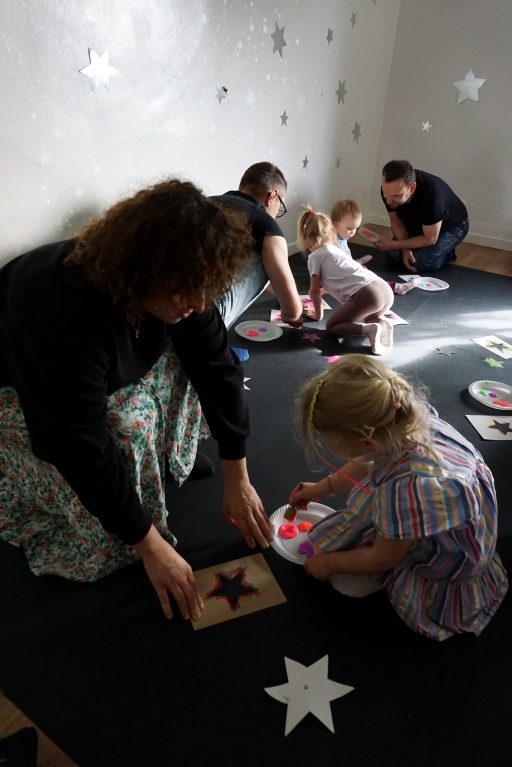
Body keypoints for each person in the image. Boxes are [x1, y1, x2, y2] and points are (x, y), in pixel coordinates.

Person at [0, 179, 274, 623]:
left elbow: (218, 366)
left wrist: (236, 474)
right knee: (127, 424)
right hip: (22, 382)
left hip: (96, 359)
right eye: (186, 292)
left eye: (205, 289)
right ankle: (120, 523)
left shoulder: (181, 281)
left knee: (190, 360)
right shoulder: (63, 313)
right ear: (142, 271)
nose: (198, 303)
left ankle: (166, 457)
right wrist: (148, 544)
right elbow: (78, 447)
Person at [289, 355, 508, 641]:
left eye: (328, 439)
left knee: (364, 563)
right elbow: (367, 460)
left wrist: (329, 564)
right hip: (445, 513)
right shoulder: (404, 422)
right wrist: (323, 488)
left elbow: (382, 558)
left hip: (448, 553)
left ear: (367, 441)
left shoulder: (406, 491)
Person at [212, 162, 303, 329]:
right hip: (204, 315)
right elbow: (292, 312)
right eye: (280, 208)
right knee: (267, 249)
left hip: (163, 298)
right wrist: (295, 309)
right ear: (273, 196)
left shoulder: (205, 203)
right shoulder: (265, 224)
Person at [298, 207, 394, 355]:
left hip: (368, 295)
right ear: (332, 235)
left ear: (306, 243)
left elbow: (314, 291)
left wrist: (318, 314)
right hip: (384, 289)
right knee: (371, 316)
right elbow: (340, 279)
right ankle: (381, 322)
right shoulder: (337, 250)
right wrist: (324, 291)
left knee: (332, 326)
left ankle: (369, 329)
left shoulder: (315, 257)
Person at [375, 160, 469, 273]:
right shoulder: (389, 190)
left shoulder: (432, 197)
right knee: (393, 256)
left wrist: (395, 244)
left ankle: (447, 253)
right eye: (386, 193)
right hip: (421, 224)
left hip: (451, 227)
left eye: (396, 195)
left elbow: (430, 239)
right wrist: (404, 249)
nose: (388, 201)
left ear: (412, 188)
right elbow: (396, 222)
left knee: (419, 263)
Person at [331, 199, 415, 295]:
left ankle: (356, 262)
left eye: (355, 228)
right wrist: (356, 270)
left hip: (345, 269)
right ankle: (395, 287)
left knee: (363, 271)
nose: (353, 232)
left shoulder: (341, 236)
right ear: (336, 224)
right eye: (349, 229)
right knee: (370, 279)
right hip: (341, 278)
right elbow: (337, 268)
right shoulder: (334, 244)